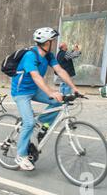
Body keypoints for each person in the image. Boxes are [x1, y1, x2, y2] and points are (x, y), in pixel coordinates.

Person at [11, 27, 82, 171]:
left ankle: (42, 124)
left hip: (34, 90)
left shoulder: (49, 56)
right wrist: (50, 91)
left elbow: (60, 70)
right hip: (21, 92)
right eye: (52, 40)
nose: (54, 43)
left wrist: (74, 87)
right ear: (45, 42)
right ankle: (20, 155)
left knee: (58, 101)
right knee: (29, 122)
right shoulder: (30, 56)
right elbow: (36, 76)